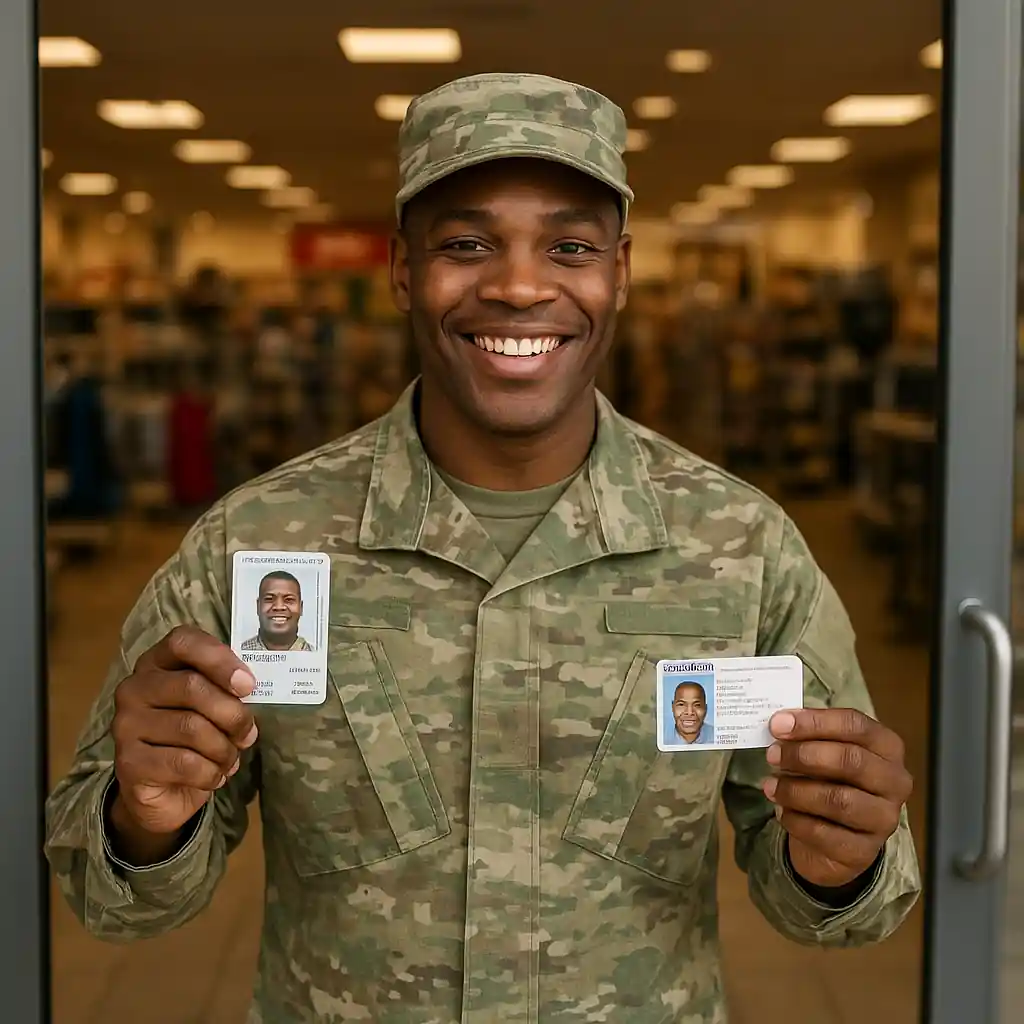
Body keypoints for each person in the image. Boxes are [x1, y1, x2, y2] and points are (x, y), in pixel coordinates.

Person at [44, 72, 921, 1023]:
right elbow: (108, 898)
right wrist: (144, 823)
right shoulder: (256, 542)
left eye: (569, 245)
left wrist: (842, 864)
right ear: (402, 270)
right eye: (466, 243)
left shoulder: (743, 548)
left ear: (619, 272)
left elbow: (841, 907)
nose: (517, 284)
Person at [240, 570, 313, 652]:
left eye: (289, 599)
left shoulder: (318, 656)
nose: (279, 607)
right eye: (269, 599)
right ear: (258, 606)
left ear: (301, 607)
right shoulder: (237, 654)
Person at [669, 680, 710, 745]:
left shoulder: (717, 735)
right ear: (673, 707)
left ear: (705, 708)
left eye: (697, 705)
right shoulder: (661, 737)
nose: (689, 712)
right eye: (681, 705)